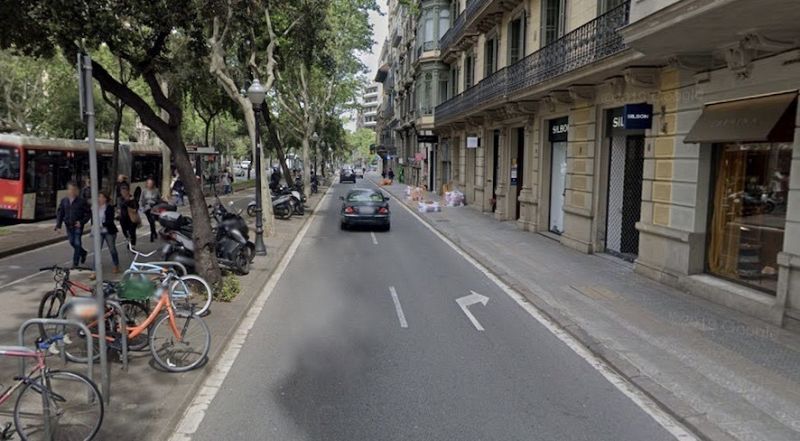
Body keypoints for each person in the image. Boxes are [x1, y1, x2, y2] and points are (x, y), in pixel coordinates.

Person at [55, 181, 90, 268]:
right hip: (68, 225)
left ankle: (75, 263)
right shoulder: (64, 201)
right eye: (70, 189)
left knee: (77, 243)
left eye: (73, 190)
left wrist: (81, 222)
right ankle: (83, 252)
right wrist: (58, 225)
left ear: (76, 191)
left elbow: (89, 213)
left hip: (77, 225)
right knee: (72, 242)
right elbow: (60, 213)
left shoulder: (81, 201)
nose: (72, 191)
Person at [89, 192, 120, 279]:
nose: (100, 199)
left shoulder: (109, 208)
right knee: (97, 250)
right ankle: (94, 271)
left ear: (105, 199)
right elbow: (92, 218)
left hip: (109, 231)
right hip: (99, 231)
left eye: (102, 197)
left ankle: (116, 264)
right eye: (99, 197)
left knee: (112, 249)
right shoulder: (95, 207)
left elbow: (110, 220)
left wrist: (102, 224)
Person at [139, 177, 161, 242]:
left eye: (151, 183)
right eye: (148, 183)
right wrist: (141, 207)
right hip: (147, 208)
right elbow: (141, 200)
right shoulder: (144, 191)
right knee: (151, 221)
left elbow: (159, 199)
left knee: (152, 221)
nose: (150, 185)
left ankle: (152, 234)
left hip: (154, 208)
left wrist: (156, 202)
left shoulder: (156, 190)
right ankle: (154, 232)